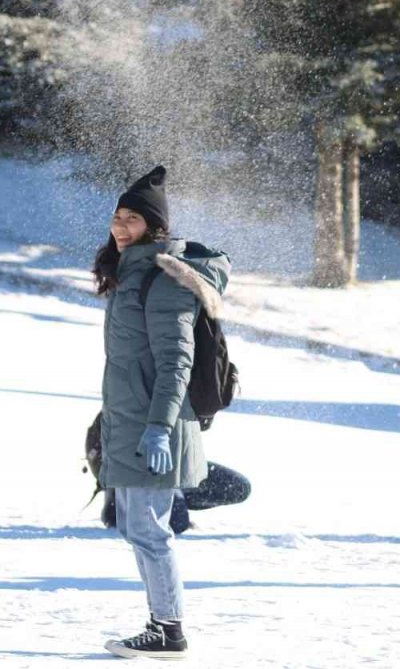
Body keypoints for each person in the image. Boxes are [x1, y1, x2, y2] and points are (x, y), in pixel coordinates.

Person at [92, 165, 231, 659]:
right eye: (117, 216)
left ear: (155, 227)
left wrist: (157, 428)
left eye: (132, 218)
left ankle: (169, 631)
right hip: (131, 420)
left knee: (151, 531)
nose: (121, 226)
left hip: (156, 426)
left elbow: (176, 363)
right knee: (136, 529)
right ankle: (161, 626)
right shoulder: (129, 272)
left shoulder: (164, 279)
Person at [99, 462, 251, 534]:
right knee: (177, 522)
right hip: (138, 471)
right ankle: (120, 501)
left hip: (177, 464)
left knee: (239, 488)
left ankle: (175, 496)